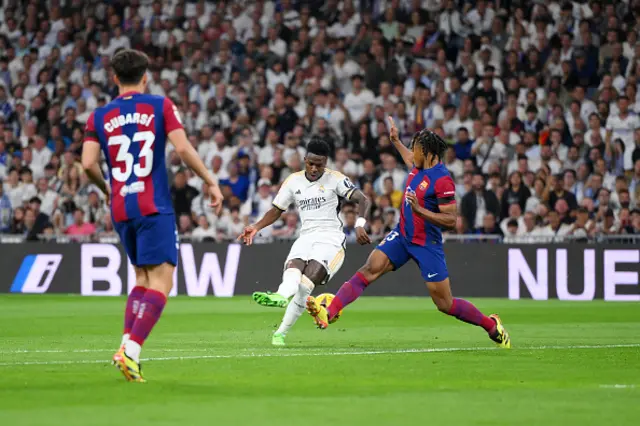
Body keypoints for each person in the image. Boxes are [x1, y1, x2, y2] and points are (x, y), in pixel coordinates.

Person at [306, 117, 511, 349]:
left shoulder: (443, 180)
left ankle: (491, 325)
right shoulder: (418, 164)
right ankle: (329, 312)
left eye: (416, 148)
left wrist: (419, 210)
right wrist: (395, 141)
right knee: (369, 269)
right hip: (402, 235)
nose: (413, 153)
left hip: (426, 243)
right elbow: (408, 158)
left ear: (428, 152)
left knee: (445, 304)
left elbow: (451, 220)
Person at [81, 49, 223, 382]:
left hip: (121, 206)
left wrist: (107, 190)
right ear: (145, 77)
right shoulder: (159, 106)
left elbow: (87, 164)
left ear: (114, 78)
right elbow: (183, 149)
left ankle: (125, 348)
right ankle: (130, 351)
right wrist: (211, 181)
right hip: (153, 205)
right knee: (162, 282)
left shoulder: (98, 116)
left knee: (142, 280)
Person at [238, 137, 371, 346]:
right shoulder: (293, 181)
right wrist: (256, 227)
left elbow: (362, 199)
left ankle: (281, 330)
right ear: (304, 160)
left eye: (319, 164)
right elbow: (276, 210)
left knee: (306, 284)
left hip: (330, 239)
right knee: (293, 271)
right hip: (306, 236)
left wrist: (360, 224)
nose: (315, 168)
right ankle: (281, 299)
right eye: (311, 163)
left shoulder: (335, 179)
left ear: (326, 162)